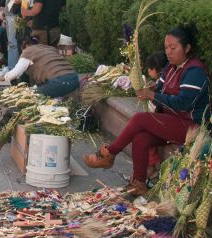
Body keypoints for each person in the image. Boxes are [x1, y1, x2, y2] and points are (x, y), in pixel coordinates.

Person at [84, 24, 210, 197]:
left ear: (187, 48)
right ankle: (139, 183)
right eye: (166, 47)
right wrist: (153, 88)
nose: (168, 52)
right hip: (171, 122)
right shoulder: (171, 68)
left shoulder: (195, 70)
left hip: (191, 126)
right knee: (140, 137)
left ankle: (109, 153)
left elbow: (184, 103)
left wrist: (152, 95)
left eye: (173, 48)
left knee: (140, 119)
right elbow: (161, 87)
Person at [3, 35, 80, 97]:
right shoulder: (49, 49)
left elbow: (15, 73)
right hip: (74, 78)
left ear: (26, 45)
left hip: (59, 81)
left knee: (31, 96)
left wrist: (4, 77)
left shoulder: (28, 51)